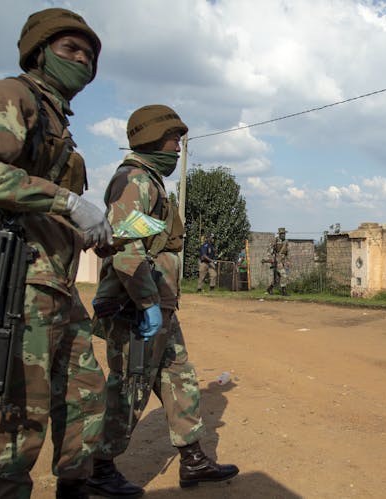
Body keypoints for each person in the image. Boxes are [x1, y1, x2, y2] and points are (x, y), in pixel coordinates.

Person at [0, 8, 112, 498]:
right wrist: (67, 202)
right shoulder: (10, 95)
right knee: (21, 407)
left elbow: (35, 200)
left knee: (85, 392)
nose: (82, 60)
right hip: (14, 279)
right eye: (70, 49)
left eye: (89, 54)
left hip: (54, 280)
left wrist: (80, 228)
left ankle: (75, 486)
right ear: (38, 52)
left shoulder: (55, 118)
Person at [87, 105, 239, 497]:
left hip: (157, 304)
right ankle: (98, 468)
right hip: (137, 307)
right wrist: (146, 303)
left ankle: (193, 460)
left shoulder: (150, 181)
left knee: (179, 377)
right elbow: (124, 249)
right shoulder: (134, 180)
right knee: (130, 385)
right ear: (151, 138)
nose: (177, 148)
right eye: (174, 139)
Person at [266, 227, 289, 296]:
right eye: (282, 233)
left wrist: (288, 261)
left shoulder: (286, 241)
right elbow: (269, 251)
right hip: (277, 261)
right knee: (284, 275)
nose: (283, 235)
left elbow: (286, 252)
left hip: (283, 261)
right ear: (279, 234)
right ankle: (284, 292)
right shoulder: (275, 240)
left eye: (284, 233)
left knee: (277, 279)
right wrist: (271, 259)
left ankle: (269, 289)